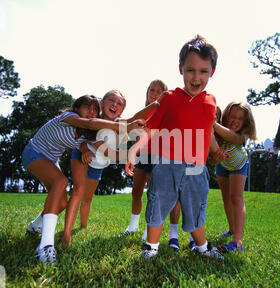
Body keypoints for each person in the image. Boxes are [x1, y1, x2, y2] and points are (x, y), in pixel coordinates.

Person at [126, 35, 226, 259]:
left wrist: (215, 149)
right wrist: (134, 150)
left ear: (212, 72)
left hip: (196, 169)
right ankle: (151, 247)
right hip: (166, 166)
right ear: (181, 69)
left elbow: (207, 130)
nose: (196, 77)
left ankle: (202, 247)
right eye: (191, 70)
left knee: (195, 209)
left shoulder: (211, 103)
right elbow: (151, 129)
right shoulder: (168, 98)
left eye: (203, 71)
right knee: (157, 205)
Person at [24, 94, 145, 265]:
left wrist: (131, 153)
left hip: (50, 161)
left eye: (95, 109)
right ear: (76, 108)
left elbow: (87, 141)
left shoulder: (86, 134)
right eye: (87, 106)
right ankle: (45, 246)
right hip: (34, 152)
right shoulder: (68, 117)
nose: (91, 111)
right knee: (62, 183)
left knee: (61, 204)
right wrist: (127, 126)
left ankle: (35, 226)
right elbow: (89, 124)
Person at [61, 89, 164, 246]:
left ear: (121, 110)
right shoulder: (93, 118)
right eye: (112, 101)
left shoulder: (118, 124)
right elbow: (88, 139)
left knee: (87, 198)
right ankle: (66, 234)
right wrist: (84, 148)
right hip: (82, 156)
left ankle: (83, 226)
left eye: (119, 103)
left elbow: (135, 118)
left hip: (98, 165)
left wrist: (155, 105)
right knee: (77, 190)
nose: (115, 105)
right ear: (102, 103)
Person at [119, 80, 182, 252]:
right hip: (144, 154)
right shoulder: (144, 113)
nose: (155, 93)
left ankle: (150, 231)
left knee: (154, 195)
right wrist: (132, 154)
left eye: (159, 91)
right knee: (136, 191)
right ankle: (133, 225)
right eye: (152, 90)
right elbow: (141, 135)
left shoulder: (163, 109)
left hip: (160, 155)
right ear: (147, 92)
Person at [212, 101, 257, 252]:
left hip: (239, 165)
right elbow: (211, 160)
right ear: (226, 116)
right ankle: (231, 229)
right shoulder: (217, 131)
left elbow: (232, 137)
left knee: (236, 198)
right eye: (232, 117)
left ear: (246, 122)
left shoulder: (242, 135)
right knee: (226, 198)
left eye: (240, 118)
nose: (235, 121)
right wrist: (215, 158)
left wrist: (213, 124)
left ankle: (237, 241)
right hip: (223, 165)